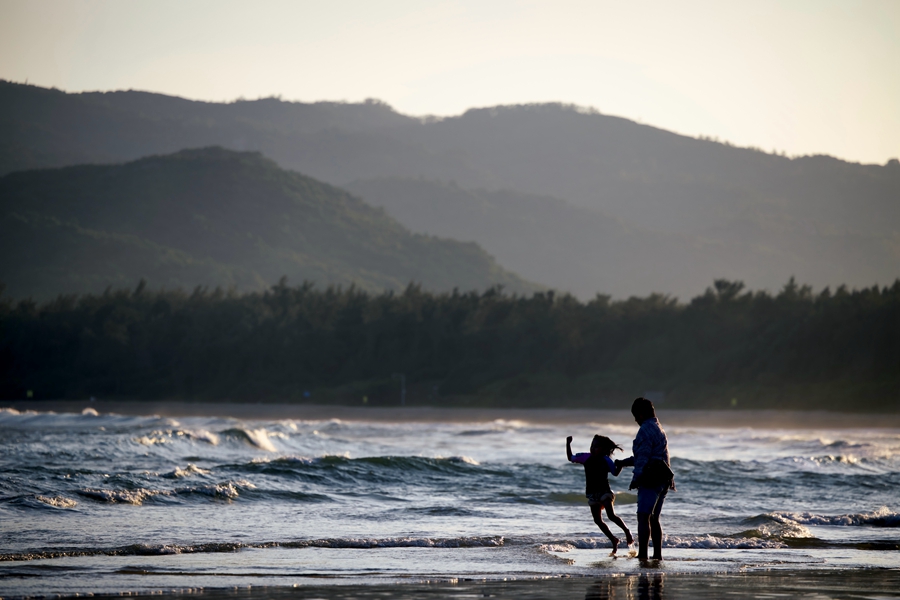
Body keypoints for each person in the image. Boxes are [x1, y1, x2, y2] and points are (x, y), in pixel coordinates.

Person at [617, 397, 674, 562]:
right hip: (664, 477)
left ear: (641, 414)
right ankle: (657, 555)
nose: (635, 420)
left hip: (651, 478)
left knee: (643, 516)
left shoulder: (645, 430)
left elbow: (642, 458)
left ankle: (643, 555)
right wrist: (623, 462)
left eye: (635, 416)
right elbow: (648, 456)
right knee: (654, 518)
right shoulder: (658, 428)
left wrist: (636, 478)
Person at [566, 434, 634, 553]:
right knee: (597, 520)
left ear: (603, 449)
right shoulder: (585, 457)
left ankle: (627, 532)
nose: (593, 448)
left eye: (596, 447)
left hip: (605, 492)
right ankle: (613, 539)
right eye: (592, 446)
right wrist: (568, 444)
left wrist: (621, 464)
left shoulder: (606, 460)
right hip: (592, 494)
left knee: (611, 515)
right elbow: (570, 458)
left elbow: (615, 473)